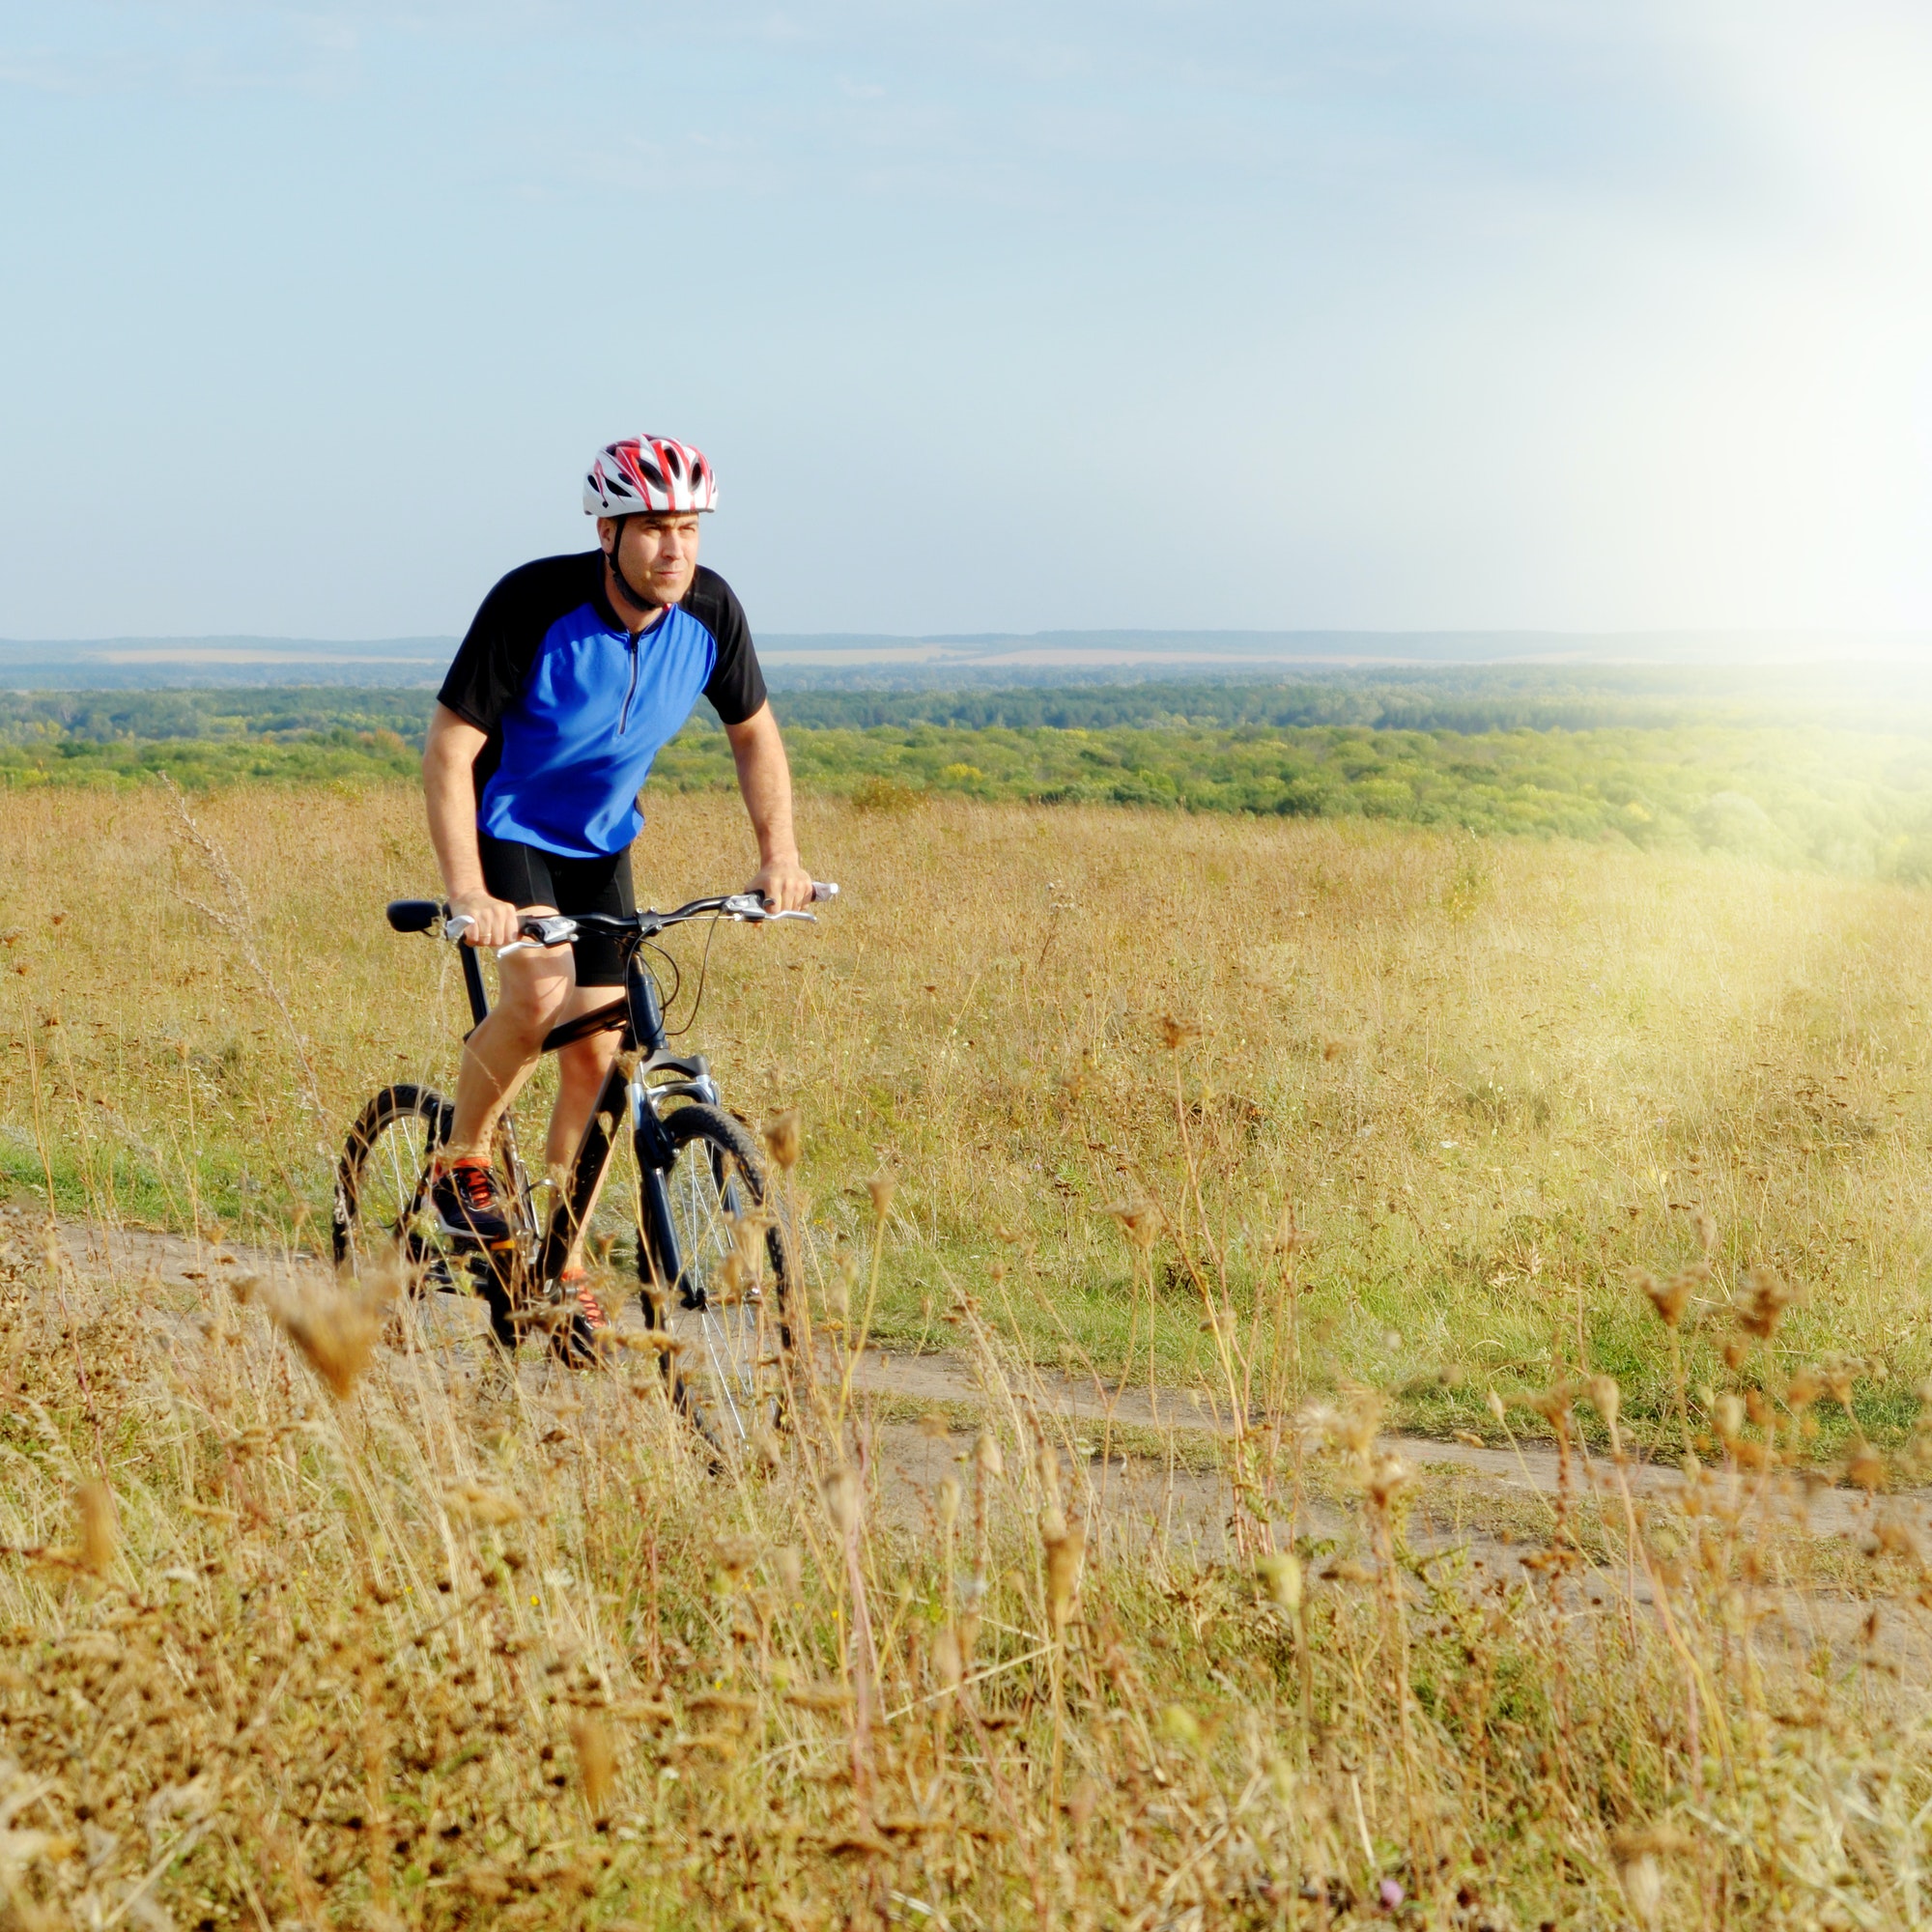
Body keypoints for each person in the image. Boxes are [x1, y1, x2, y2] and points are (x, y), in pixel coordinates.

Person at [420, 436, 812, 1346]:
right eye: (652, 529)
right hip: (509, 824)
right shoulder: (534, 602)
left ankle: (559, 1260)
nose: (673, 549)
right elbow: (450, 749)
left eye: (687, 529)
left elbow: (754, 734)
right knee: (539, 989)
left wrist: (778, 856)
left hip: (601, 841)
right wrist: (469, 892)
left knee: (600, 1052)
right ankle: (461, 1159)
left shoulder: (710, 612)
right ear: (608, 531)